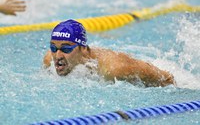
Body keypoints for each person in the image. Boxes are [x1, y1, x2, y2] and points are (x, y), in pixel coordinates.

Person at [43, 19, 176, 87]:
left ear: (83, 49)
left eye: (66, 49)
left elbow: (166, 80)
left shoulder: (115, 68)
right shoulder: (49, 59)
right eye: (53, 48)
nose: (58, 56)